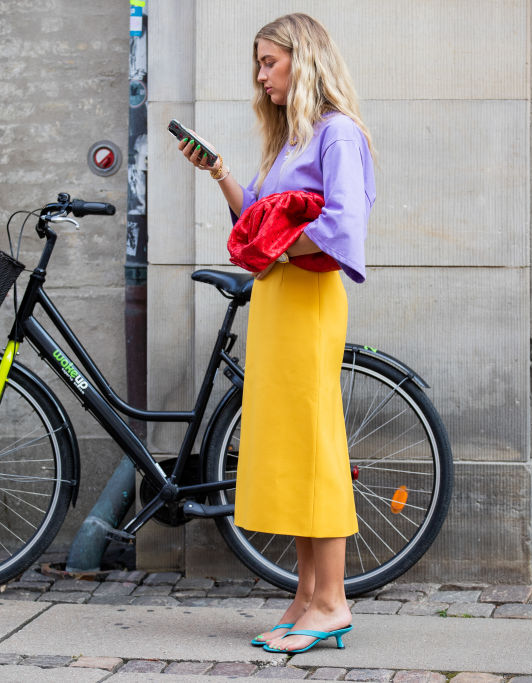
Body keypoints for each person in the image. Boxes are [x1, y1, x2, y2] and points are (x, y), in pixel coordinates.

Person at [176, 12, 375, 655]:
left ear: (304, 60)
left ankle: (333, 602)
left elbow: (343, 224)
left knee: (315, 445)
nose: (261, 75)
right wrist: (218, 171)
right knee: (290, 447)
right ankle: (304, 595)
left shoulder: (337, 134)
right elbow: (256, 219)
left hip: (309, 300)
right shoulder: (292, 139)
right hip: (277, 301)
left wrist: (285, 250)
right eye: (258, 63)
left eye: (270, 62)